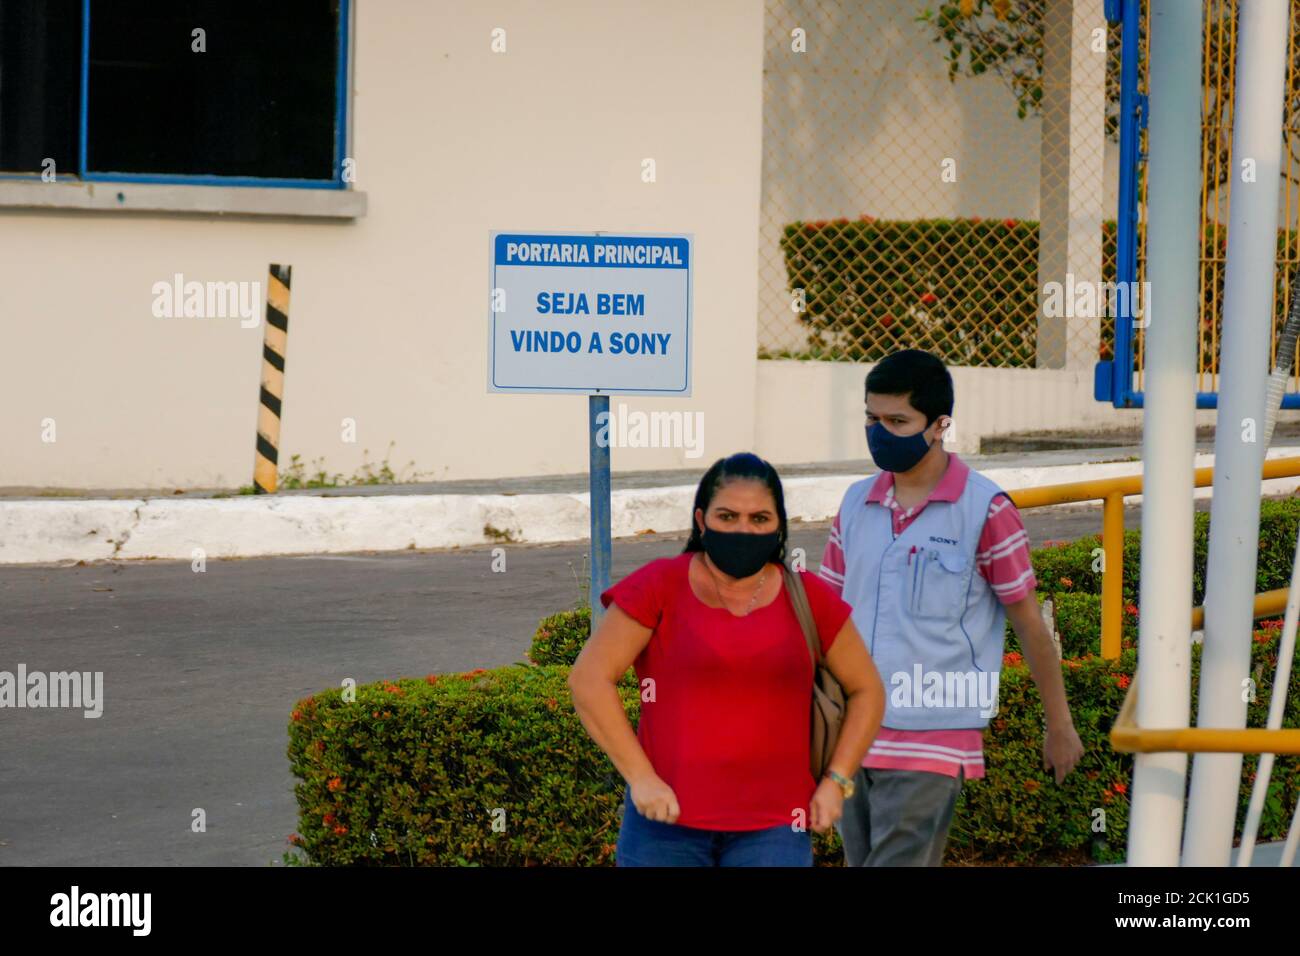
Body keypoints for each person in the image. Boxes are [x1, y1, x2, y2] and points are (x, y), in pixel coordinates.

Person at [819, 349, 1084, 866]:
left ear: (940, 426)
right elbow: (826, 617)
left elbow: (1029, 625)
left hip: (933, 734)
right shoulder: (855, 504)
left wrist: (1060, 725)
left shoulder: (985, 510)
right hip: (852, 735)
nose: (880, 432)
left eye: (898, 421)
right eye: (872, 418)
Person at [569, 452, 886, 866]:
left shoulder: (808, 597)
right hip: (665, 826)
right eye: (727, 516)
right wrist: (641, 778)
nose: (743, 528)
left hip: (776, 829)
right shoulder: (658, 586)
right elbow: (589, 680)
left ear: (779, 526)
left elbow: (868, 690)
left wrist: (837, 780)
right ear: (702, 521)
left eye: (759, 519)